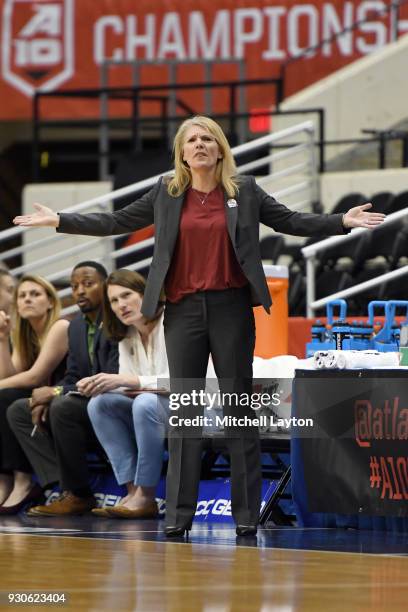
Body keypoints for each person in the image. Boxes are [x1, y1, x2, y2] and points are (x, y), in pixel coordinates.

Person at [13, 115, 386, 537]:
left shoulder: (244, 191)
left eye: (209, 138)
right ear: (182, 152)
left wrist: (341, 221)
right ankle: (178, 517)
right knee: (185, 412)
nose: (201, 144)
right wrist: (59, 220)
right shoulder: (166, 193)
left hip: (231, 308)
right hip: (183, 311)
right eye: (193, 139)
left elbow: (292, 221)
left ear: (221, 148)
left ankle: (246, 517)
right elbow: (116, 222)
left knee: (238, 411)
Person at [7, 261, 118, 516]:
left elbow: (111, 375)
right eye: (74, 286)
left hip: (109, 397)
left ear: (105, 286)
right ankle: (57, 485)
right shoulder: (77, 326)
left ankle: (79, 494)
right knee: (19, 409)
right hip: (82, 397)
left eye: (88, 284)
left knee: (62, 405)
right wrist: (50, 395)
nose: (80, 291)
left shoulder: (114, 322)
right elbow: (72, 375)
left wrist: (55, 392)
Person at [79, 269, 170, 519]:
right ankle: (131, 491)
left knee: (145, 403)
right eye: (114, 301)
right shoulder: (127, 334)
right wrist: (99, 384)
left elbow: (186, 380)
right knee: (99, 404)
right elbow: (128, 385)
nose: (121, 305)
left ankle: (146, 495)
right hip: (151, 407)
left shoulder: (174, 321)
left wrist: (125, 381)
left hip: (196, 404)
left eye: (126, 295)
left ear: (146, 293)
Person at [0, 274, 67, 513]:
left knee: (7, 400)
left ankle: (23, 481)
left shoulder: (60, 326)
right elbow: (9, 376)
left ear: (50, 301)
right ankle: (5, 480)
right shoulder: (26, 334)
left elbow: (34, 377)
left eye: (35, 294)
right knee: (6, 398)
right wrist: (3, 338)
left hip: (65, 395)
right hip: (40, 399)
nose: (27, 299)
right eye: (22, 295)